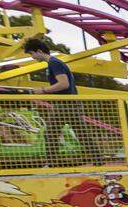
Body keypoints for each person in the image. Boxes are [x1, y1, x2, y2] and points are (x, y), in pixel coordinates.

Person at [22, 37, 103, 166]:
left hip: (66, 103)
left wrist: (43, 90)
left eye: (32, 54)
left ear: (39, 51)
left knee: (51, 132)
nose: (32, 57)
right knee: (80, 132)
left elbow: (63, 84)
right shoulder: (53, 63)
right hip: (69, 103)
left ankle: (52, 163)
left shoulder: (54, 63)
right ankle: (98, 160)